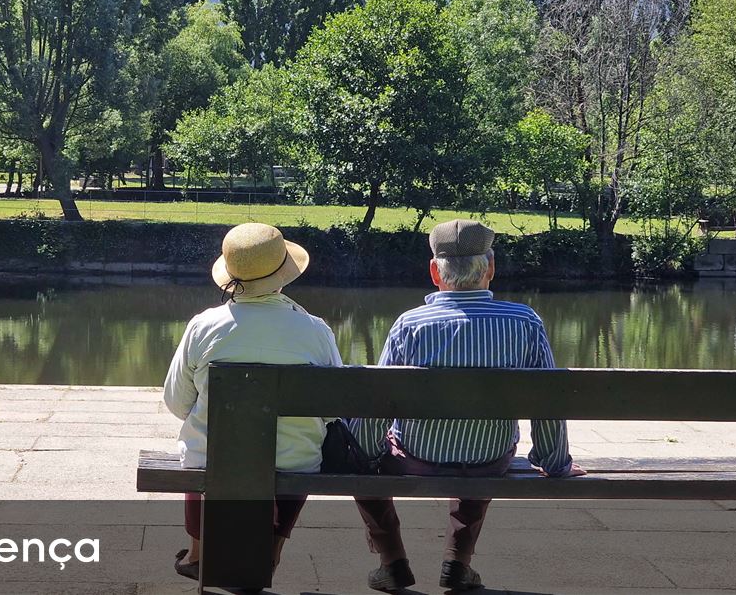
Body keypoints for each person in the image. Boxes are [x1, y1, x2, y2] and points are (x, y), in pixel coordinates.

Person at [348, 219, 586, 592]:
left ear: (433, 272)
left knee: (361, 455)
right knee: (483, 450)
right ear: (490, 268)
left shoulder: (410, 324)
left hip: (415, 456)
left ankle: (392, 561)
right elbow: (548, 401)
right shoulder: (524, 322)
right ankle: (457, 563)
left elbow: (378, 403)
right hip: (490, 458)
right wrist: (555, 463)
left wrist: (360, 458)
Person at [163, 222, 342, 581]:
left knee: (200, 450)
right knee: (298, 452)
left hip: (215, 458)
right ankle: (272, 549)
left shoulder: (203, 326)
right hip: (293, 459)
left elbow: (176, 401)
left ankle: (199, 552)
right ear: (284, 274)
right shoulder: (316, 330)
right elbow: (333, 409)